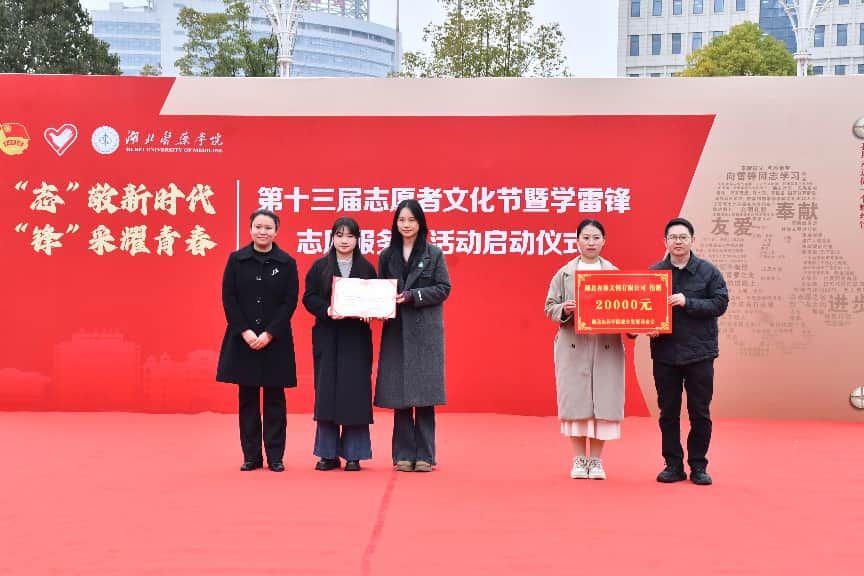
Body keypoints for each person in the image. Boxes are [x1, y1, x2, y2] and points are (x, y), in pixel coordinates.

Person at [216, 209, 299, 472]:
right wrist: (245, 331)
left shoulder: (286, 263)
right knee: (248, 399)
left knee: (275, 400)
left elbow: (289, 302)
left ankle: (275, 456)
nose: (263, 232)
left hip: (276, 341)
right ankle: (251, 456)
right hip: (244, 340)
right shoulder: (236, 260)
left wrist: (269, 333)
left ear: (276, 231)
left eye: (268, 228)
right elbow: (229, 298)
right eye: (258, 227)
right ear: (250, 229)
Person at [648, 217, 728, 485]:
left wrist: (687, 301)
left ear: (693, 240)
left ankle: (698, 466)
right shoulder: (654, 273)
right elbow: (641, 308)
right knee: (668, 413)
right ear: (665, 242)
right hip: (665, 354)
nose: (678, 241)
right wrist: (645, 327)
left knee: (700, 412)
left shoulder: (708, 272)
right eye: (673, 237)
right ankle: (673, 465)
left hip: (699, 355)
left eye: (683, 237)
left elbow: (720, 303)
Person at [544, 219, 626, 480]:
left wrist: (637, 324)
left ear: (604, 241)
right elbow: (549, 307)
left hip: (606, 345)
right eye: (586, 238)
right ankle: (579, 459)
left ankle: (597, 461)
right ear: (577, 240)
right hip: (574, 345)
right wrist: (564, 309)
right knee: (577, 403)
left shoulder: (615, 274)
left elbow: (628, 308)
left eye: (596, 238)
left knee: (603, 403)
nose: (591, 243)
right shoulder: (564, 273)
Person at [375, 199, 451, 472]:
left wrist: (412, 295)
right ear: (395, 224)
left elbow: (443, 288)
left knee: (425, 396)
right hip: (396, 331)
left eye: (411, 220)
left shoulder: (434, 254)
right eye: (401, 220)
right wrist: (376, 306)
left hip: (425, 332)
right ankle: (403, 455)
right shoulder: (387, 255)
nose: (406, 225)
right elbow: (380, 289)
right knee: (400, 395)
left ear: (420, 223)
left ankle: (426, 456)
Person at [302, 217, 377, 472]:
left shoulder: (366, 268)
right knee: (327, 393)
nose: (344, 240)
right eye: (340, 235)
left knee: (355, 393)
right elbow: (309, 298)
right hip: (328, 335)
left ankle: (354, 454)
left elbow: (376, 299)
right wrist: (327, 309)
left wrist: (370, 312)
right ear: (332, 237)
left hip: (356, 338)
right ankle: (328, 454)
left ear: (358, 239)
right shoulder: (319, 267)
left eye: (350, 236)